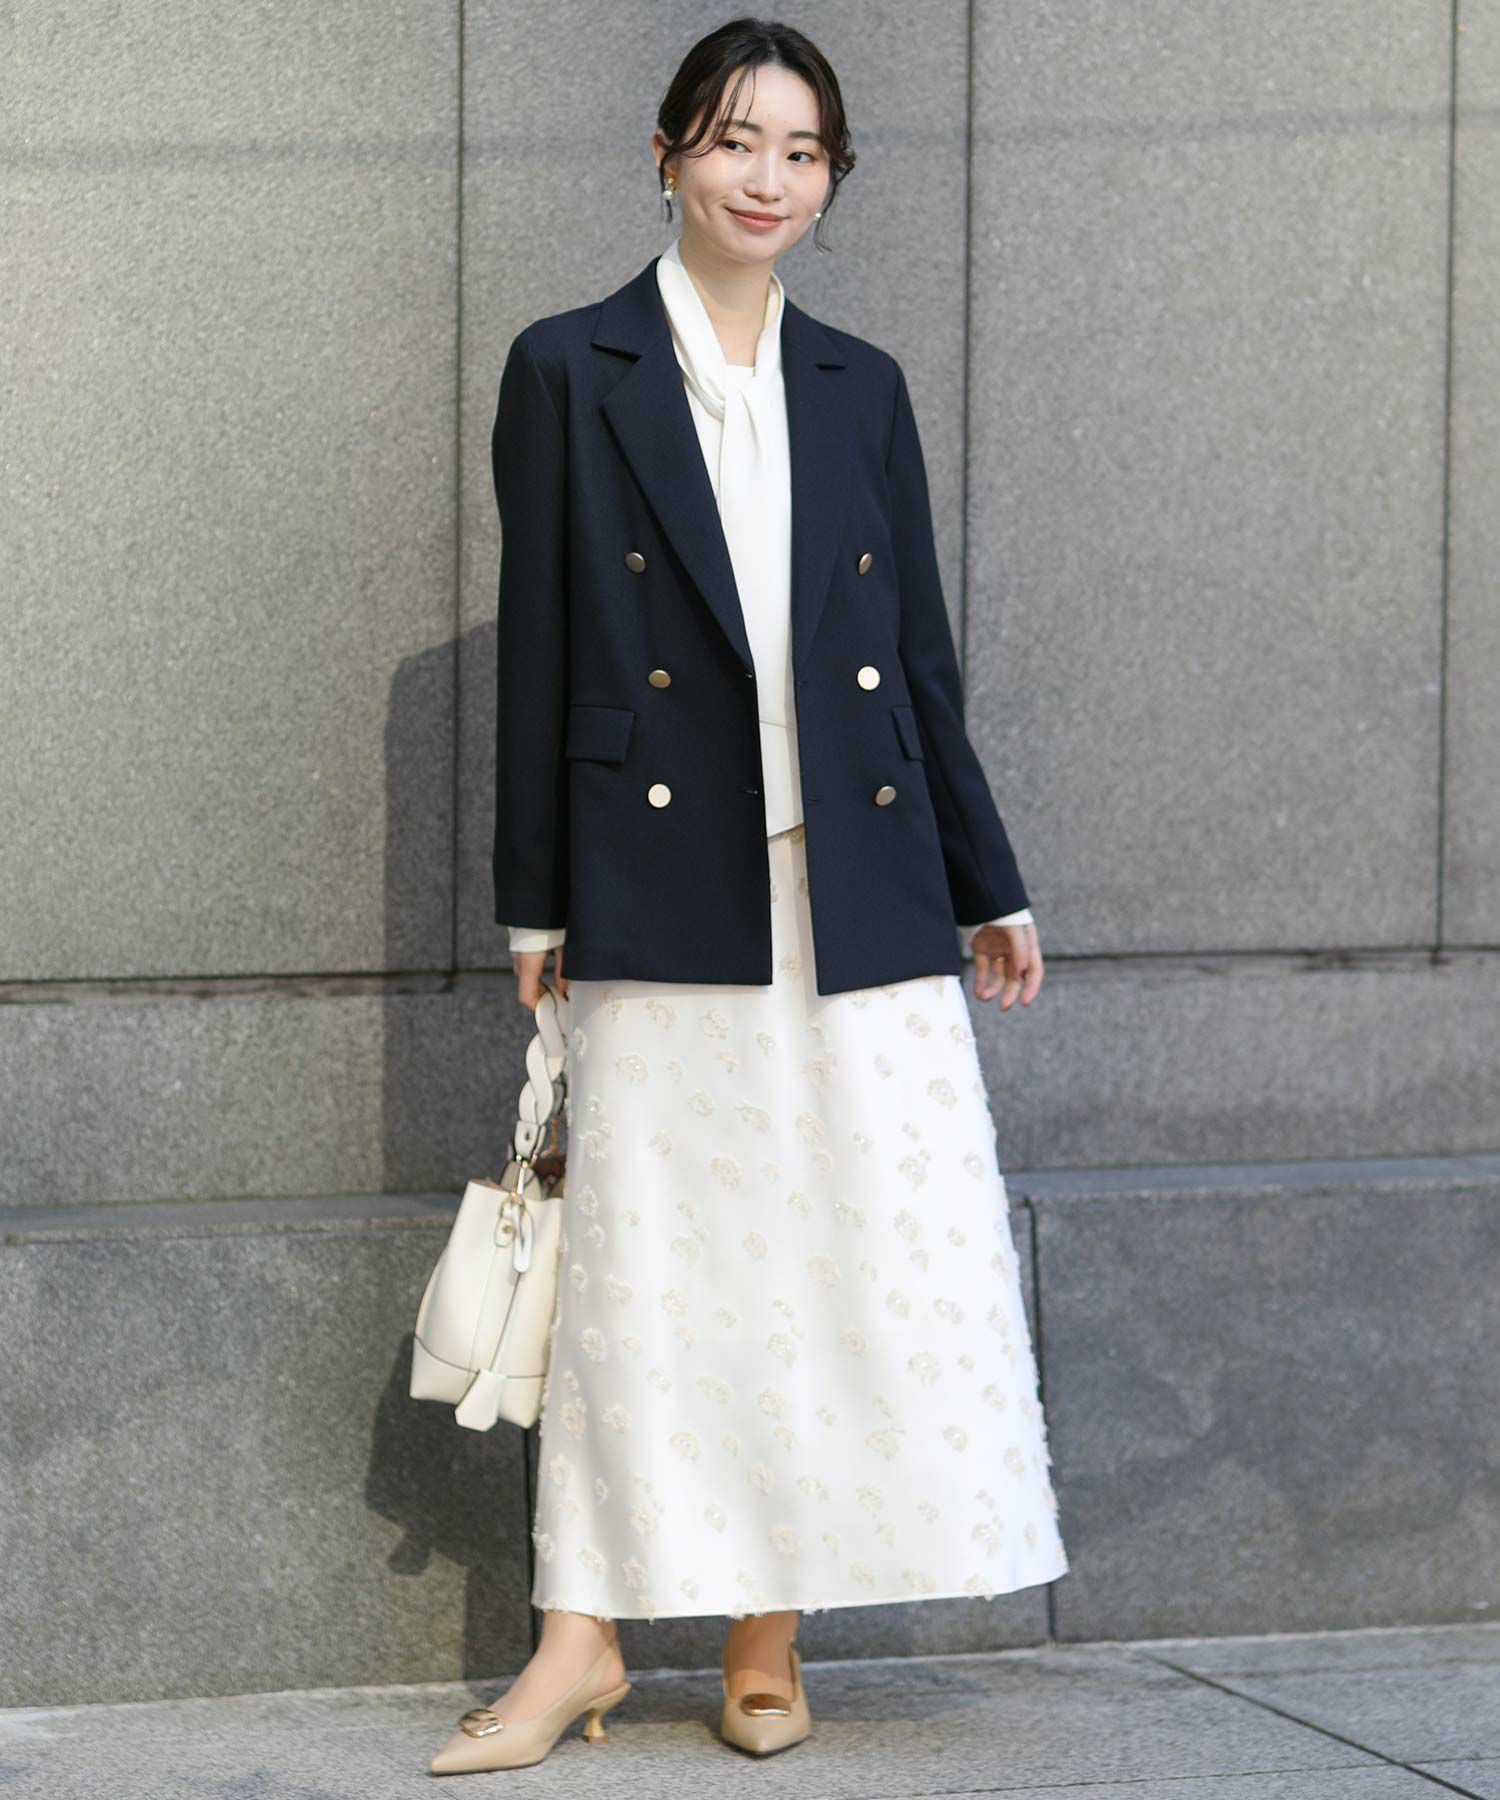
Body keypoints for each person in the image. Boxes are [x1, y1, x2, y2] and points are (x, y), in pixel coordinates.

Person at [428, 15, 1067, 1776]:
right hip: (660, 883)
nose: (766, 178)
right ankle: (578, 1640)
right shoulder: (570, 366)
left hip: (856, 882)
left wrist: (986, 879)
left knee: (831, 1254)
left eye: (800, 150)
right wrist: (535, 904)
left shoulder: (862, 383)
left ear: (831, 177)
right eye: (732, 141)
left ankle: (766, 1632)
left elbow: (917, 655)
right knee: (649, 1270)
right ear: (666, 156)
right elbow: (545, 641)